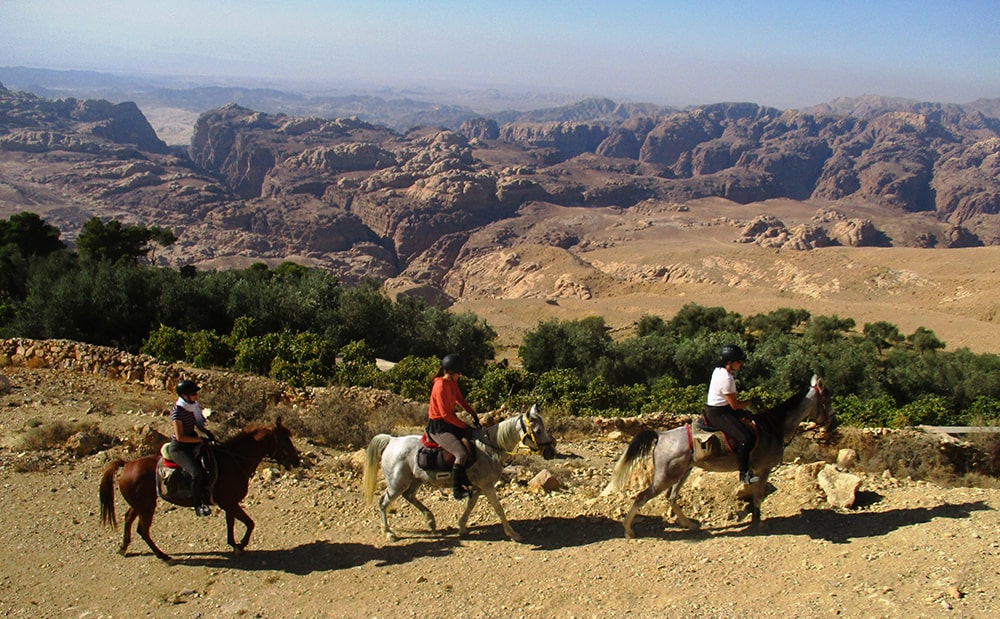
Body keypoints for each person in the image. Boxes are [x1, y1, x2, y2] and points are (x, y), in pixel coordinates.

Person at [426, 353, 481, 499]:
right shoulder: (440, 386)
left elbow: (460, 400)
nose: (460, 375)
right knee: (461, 453)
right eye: (459, 372)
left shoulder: (452, 383)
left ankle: (467, 479)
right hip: (439, 427)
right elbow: (445, 415)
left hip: (449, 423)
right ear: (451, 372)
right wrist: (463, 425)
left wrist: (472, 413)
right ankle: (457, 490)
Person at [703, 344, 760, 485]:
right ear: (730, 362)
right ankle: (744, 474)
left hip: (721, 408)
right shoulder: (727, 379)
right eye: (738, 361)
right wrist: (751, 401)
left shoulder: (719, 370)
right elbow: (735, 405)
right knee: (745, 438)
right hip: (718, 413)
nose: (740, 364)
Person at [168, 379, 215, 516]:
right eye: (193, 393)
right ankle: (198, 505)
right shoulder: (177, 412)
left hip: (193, 442)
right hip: (180, 448)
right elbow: (180, 437)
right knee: (196, 473)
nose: (196, 395)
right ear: (184, 396)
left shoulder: (193, 407)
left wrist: (208, 434)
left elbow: (199, 424)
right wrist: (200, 439)